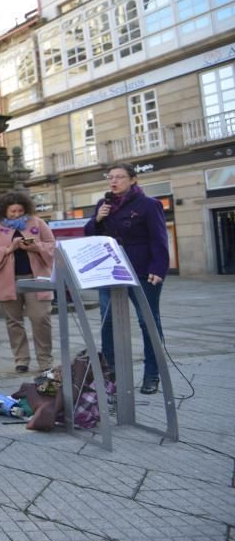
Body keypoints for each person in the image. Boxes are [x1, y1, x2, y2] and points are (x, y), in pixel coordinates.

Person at [84, 162, 169, 394]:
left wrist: (159, 268)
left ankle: (152, 374)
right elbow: (90, 234)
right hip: (110, 271)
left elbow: (159, 238)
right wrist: (97, 220)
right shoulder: (104, 204)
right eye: (110, 177)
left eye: (119, 177)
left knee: (147, 321)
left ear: (133, 180)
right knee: (108, 321)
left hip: (142, 270)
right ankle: (112, 376)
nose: (113, 181)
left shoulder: (149, 205)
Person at [0, 191, 55, 373]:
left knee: (41, 318)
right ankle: (21, 359)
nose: (16, 214)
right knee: (14, 321)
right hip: (7, 280)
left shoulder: (38, 223)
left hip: (36, 279)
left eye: (19, 211)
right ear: (4, 211)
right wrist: (9, 248)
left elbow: (53, 245)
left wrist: (36, 246)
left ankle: (45, 360)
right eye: (12, 211)